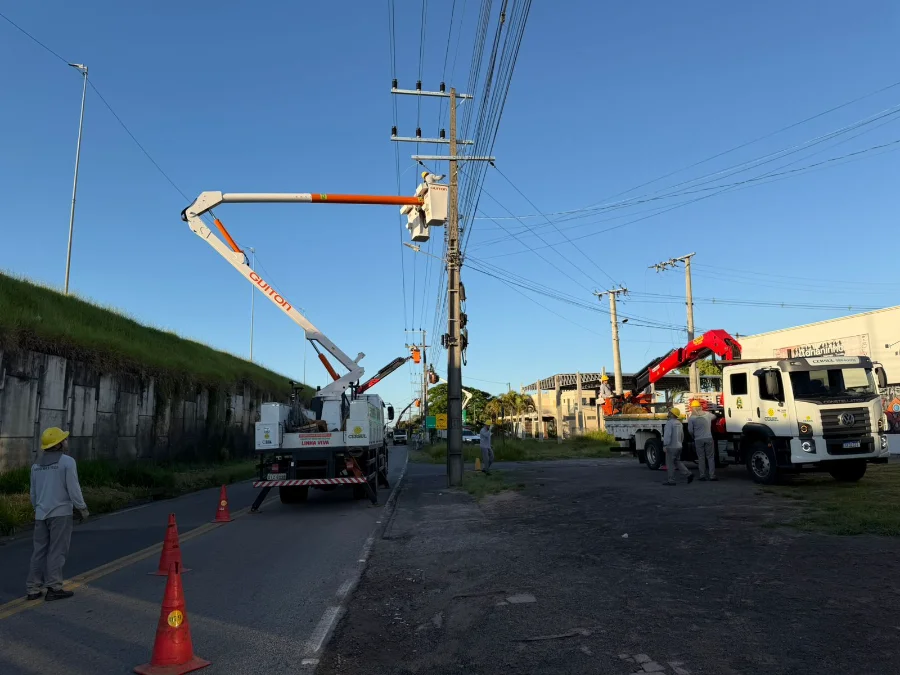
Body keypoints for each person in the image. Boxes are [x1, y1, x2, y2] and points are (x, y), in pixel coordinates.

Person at [26, 427, 88, 601]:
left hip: (41, 514)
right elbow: (74, 489)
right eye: (64, 439)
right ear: (59, 444)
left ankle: (33, 589)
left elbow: (33, 493)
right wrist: (82, 508)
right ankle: (54, 587)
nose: (66, 442)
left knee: (39, 551)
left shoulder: (36, 465)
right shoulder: (67, 462)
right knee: (57, 551)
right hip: (60, 514)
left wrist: (37, 509)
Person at [662, 408, 693, 486]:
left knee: (670, 464)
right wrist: (680, 443)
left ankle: (671, 480)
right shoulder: (679, 423)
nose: (668, 413)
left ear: (672, 414)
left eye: (669, 412)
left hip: (671, 446)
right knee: (677, 462)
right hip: (679, 446)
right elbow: (682, 435)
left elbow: (667, 435)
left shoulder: (669, 423)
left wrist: (665, 445)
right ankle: (688, 474)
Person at [687, 400, 716, 481]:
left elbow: (690, 431)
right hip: (709, 438)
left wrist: (693, 436)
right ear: (700, 406)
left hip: (698, 439)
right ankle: (712, 476)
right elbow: (714, 416)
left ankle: (702, 475)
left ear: (692, 408)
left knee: (701, 458)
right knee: (710, 457)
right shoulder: (707, 414)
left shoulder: (691, 418)